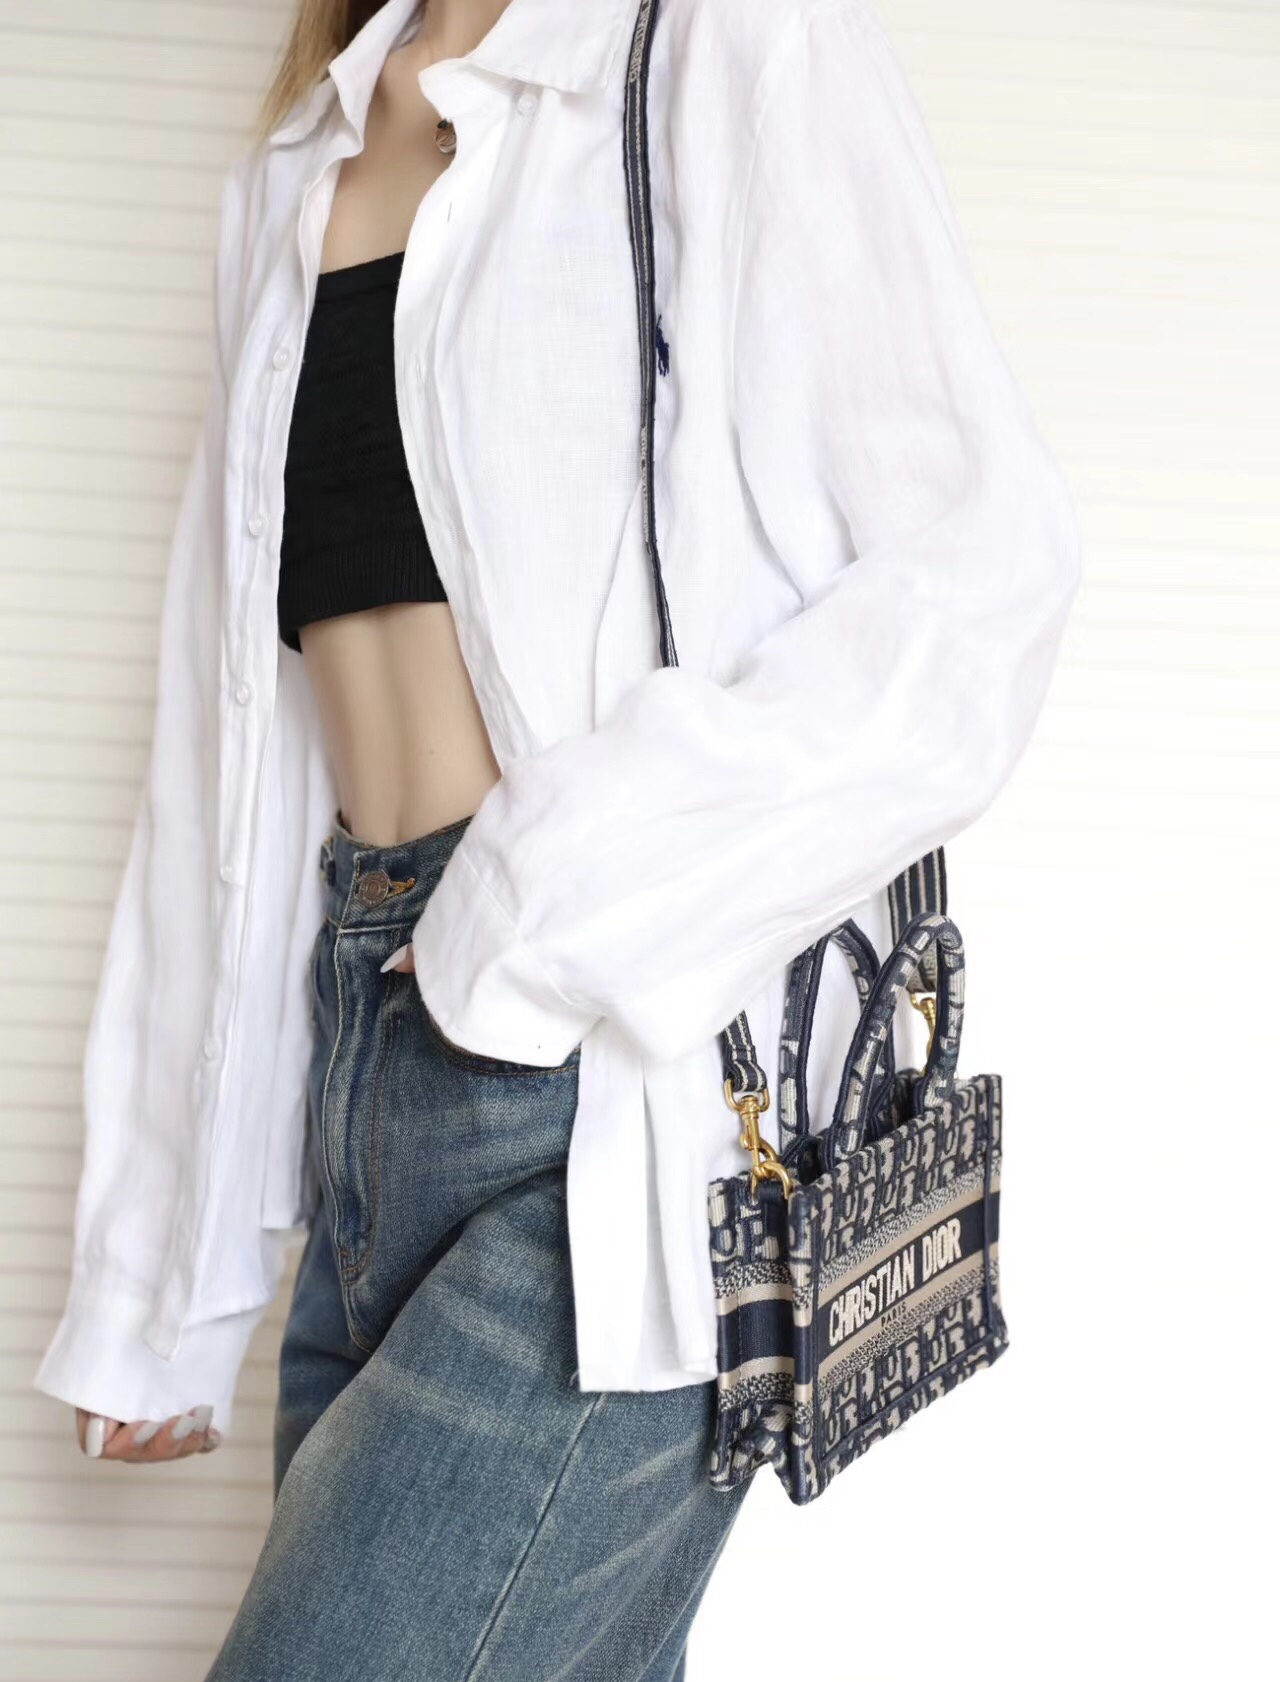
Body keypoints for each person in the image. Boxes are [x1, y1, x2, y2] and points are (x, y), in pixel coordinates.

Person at [33, 0, 1081, 1674]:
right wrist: (156, 1267)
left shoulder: (726, 44)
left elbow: (978, 585)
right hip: (359, 1078)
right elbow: (225, 736)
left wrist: (539, 896)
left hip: (613, 1111)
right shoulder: (299, 159)